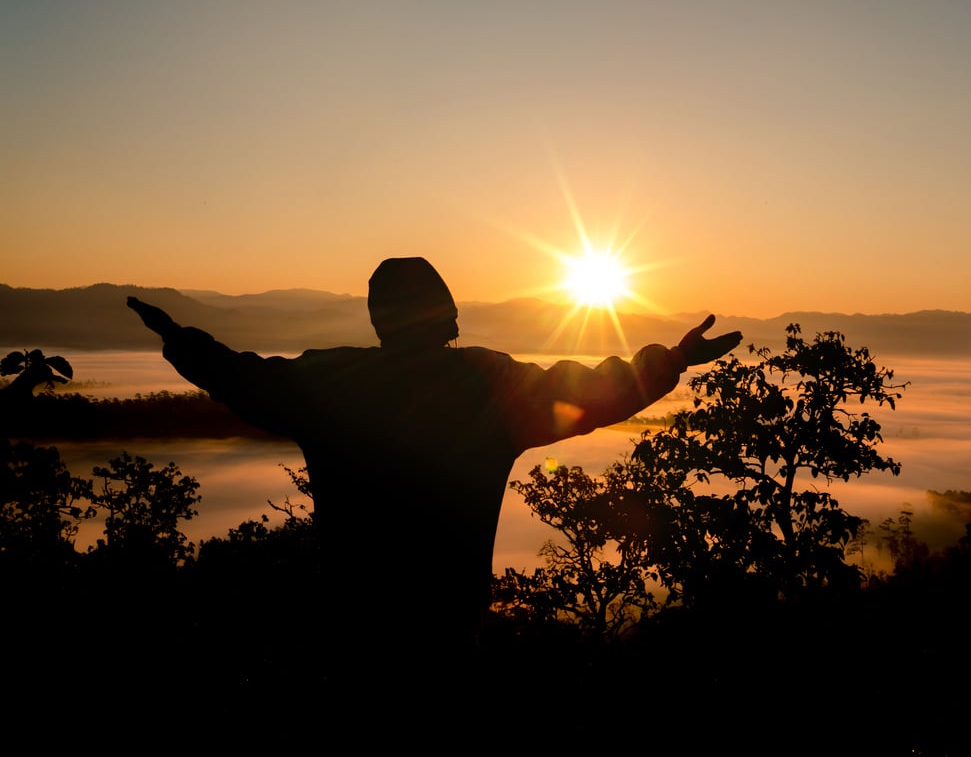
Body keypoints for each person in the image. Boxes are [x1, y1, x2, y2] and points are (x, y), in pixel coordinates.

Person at [127, 257, 741, 683]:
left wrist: (180, 340)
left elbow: (242, 377)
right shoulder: (490, 387)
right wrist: (675, 360)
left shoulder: (331, 383)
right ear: (446, 314)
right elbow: (595, 390)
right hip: (449, 632)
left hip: (350, 632)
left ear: (377, 318)